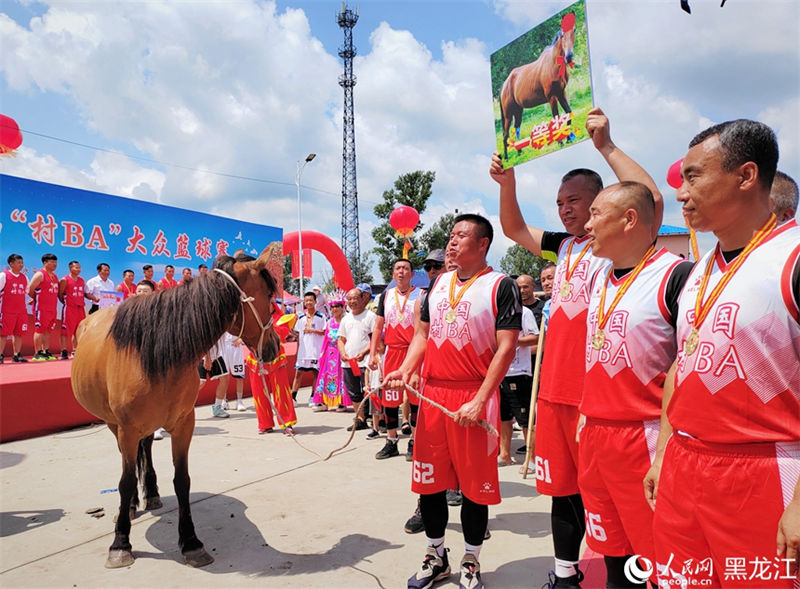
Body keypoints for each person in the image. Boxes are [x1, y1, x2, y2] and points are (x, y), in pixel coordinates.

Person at [489, 107, 663, 589]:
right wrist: (508, 184)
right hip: (554, 395)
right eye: (561, 201)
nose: (566, 209)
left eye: (576, 200)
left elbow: (648, 198)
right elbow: (514, 231)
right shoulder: (564, 247)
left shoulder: (627, 247)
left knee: (613, 501)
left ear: (603, 202)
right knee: (563, 494)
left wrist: (606, 146)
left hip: (603, 404)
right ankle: (565, 574)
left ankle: (633, 578)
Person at [645, 119, 800, 588]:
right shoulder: (697, 272)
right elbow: (682, 365)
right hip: (685, 465)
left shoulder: (792, 258)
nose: (681, 193)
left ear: (746, 175)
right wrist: (663, 453)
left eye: (693, 176)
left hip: (764, 472)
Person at [385, 213, 521, 589]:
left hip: (473, 396)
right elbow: (423, 335)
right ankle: (436, 554)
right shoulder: (438, 283)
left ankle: (472, 559)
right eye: (451, 235)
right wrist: (408, 368)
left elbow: (506, 348)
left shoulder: (500, 285)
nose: (452, 242)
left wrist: (480, 400)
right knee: (428, 484)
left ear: (483, 244)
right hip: (434, 396)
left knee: (475, 488)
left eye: (462, 235)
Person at [580, 181, 692, 587]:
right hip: (595, 434)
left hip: (643, 438)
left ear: (629, 219)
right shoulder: (599, 277)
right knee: (612, 552)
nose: (587, 224)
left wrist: (605, 145)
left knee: (656, 557)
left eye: (595, 214)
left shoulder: (677, 276)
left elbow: (687, 366)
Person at [370, 258, 421, 459]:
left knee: (416, 398)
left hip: (413, 351)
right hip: (392, 352)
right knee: (390, 399)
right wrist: (374, 353)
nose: (401, 272)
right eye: (398, 268)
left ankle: (414, 441)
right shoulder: (386, 295)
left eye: (405, 268)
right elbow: (377, 326)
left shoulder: (420, 295)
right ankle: (391, 441)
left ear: (411, 273)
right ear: (393, 274)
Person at [498, 294, 539, 467]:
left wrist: (513, 341)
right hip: (500, 371)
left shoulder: (525, 312)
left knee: (524, 417)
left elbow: (535, 337)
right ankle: (505, 454)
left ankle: (532, 458)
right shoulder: (497, 313)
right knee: (503, 417)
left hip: (519, 371)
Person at [246, 302, 298, 434]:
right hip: (256, 359)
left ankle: (287, 423)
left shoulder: (282, 319)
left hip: (275, 358)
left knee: (281, 392)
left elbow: (281, 334)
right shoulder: (253, 318)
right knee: (259, 393)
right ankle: (265, 424)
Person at [338, 286, 377, 432]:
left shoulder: (370, 317)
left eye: (355, 298)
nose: (352, 301)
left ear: (363, 299)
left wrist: (365, 352)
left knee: (371, 390)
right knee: (354, 392)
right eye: (349, 299)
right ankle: (360, 419)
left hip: (367, 362)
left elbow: (376, 339)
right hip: (349, 363)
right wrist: (343, 353)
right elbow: (341, 339)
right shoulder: (345, 319)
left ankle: (377, 420)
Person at [311, 294, 351, 410]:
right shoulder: (329, 322)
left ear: (343, 307)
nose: (335, 309)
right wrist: (322, 354)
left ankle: (341, 402)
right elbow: (325, 340)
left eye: (337, 306)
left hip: (342, 353)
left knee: (341, 376)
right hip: (330, 353)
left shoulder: (347, 321)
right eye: (332, 307)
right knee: (326, 376)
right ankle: (323, 401)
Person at [291, 291, 326, 407]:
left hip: (316, 350)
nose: (309, 302)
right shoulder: (301, 317)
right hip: (303, 351)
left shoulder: (321, 317)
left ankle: (313, 397)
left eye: (311, 300)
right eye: (307, 301)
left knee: (316, 374)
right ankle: (293, 397)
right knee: (298, 373)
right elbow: (297, 334)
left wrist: (313, 331)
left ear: (315, 302)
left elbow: (325, 332)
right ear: (304, 303)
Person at [28, 253, 60, 361]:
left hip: (52, 308)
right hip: (41, 308)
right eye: (52, 262)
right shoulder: (40, 275)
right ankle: (37, 353)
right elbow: (30, 289)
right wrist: (35, 298)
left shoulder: (55, 276)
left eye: (55, 262)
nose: (54, 264)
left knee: (47, 330)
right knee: (39, 330)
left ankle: (46, 351)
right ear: (45, 263)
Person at [58, 260, 91, 359]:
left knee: (78, 330)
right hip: (69, 308)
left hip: (80, 308)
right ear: (70, 268)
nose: (78, 269)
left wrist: (94, 298)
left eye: (79, 267)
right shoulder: (65, 280)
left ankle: (75, 350)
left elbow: (85, 294)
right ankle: (63, 350)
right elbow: (60, 294)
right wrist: (65, 302)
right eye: (76, 267)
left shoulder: (82, 280)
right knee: (65, 331)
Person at [0, 253, 30, 363]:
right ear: (11, 264)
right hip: (6, 311)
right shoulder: (4, 276)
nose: (21, 265)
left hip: (21, 311)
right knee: (3, 334)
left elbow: (26, 292)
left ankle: (17, 355)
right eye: (18, 262)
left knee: (19, 333)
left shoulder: (25, 277)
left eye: (22, 262)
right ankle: (0, 355)